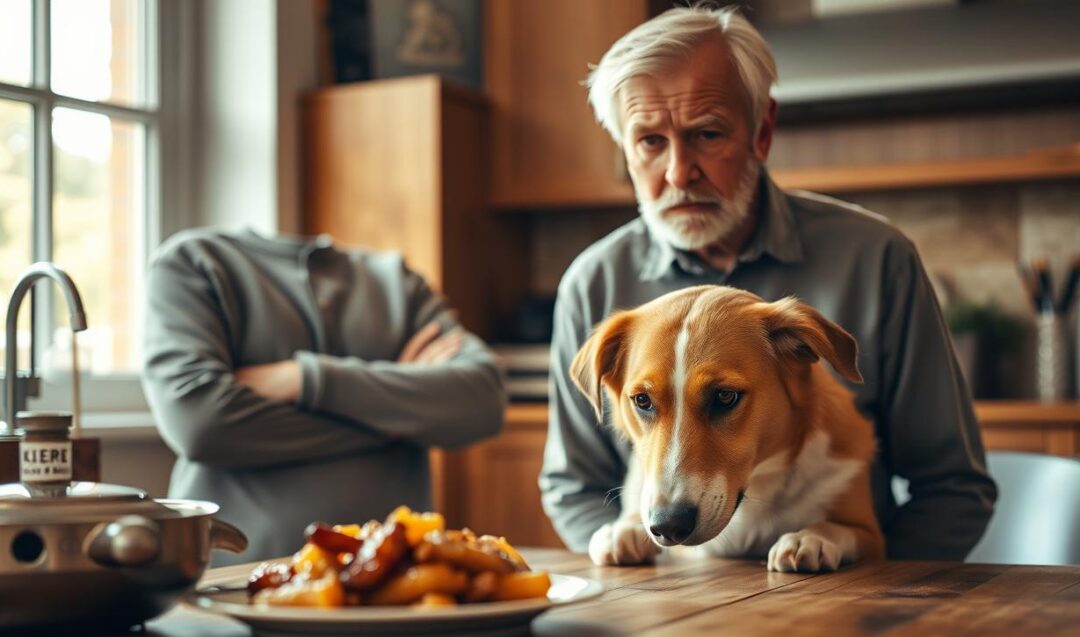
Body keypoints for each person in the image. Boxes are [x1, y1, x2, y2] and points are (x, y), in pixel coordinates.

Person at [540, 5, 996, 562]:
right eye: (650, 142)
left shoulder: (876, 259)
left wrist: (879, 609)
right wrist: (638, 574)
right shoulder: (593, 284)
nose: (680, 172)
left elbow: (954, 490)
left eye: (706, 134)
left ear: (761, 132)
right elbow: (575, 488)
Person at [142, 229, 506, 563]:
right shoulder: (193, 263)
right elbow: (201, 423)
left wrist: (304, 378)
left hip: (394, 588)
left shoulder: (399, 284)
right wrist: (401, 414)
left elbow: (482, 403)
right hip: (231, 581)